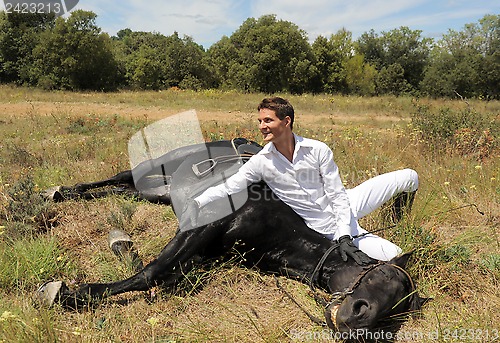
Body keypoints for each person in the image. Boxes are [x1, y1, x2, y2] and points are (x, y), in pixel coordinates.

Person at [180, 97, 418, 263]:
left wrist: (345, 232)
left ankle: (398, 218)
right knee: (396, 254)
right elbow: (230, 186)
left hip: (348, 201)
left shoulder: (318, 150)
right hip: (326, 227)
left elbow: (336, 194)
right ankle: (370, 238)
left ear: (286, 122)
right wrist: (198, 201)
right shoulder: (261, 162)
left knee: (409, 176)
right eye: (260, 121)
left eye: (268, 121)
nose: (262, 127)